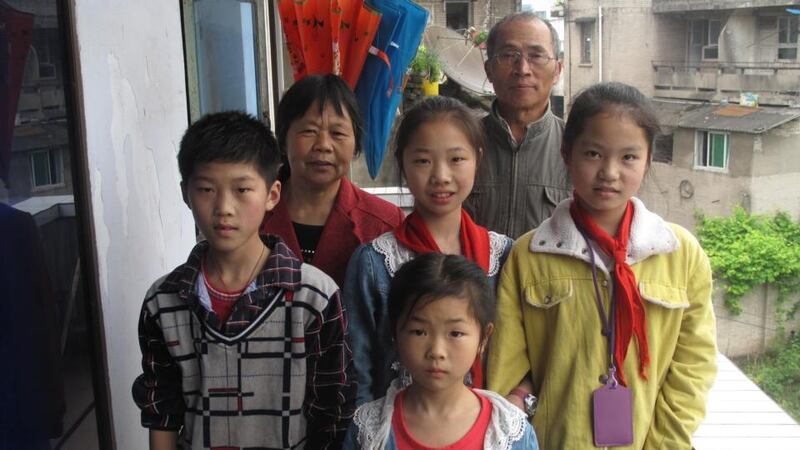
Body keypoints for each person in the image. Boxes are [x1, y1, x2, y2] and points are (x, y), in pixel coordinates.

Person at [487, 82, 717, 449]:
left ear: (648, 160)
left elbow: (693, 368)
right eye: (593, 153)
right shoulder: (530, 255)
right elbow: (506, 369)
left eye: (628, 157)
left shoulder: (680, 254)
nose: (609, 171)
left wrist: (664, 444)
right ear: (567, 153)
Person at [131, 111, 355, 450]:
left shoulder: (315, 299)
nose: (224, 207)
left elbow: (332, 414)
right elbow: (162, 410)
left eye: (242, 189)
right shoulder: (164, 301)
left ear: (272, 194)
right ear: (185, 193)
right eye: (206, 189)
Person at [344, 96, 513, 405]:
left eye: (456, 159)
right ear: (403, 164)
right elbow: (359, 373)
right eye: (423, 160)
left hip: (485, 429)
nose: (441, 176)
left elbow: (518, 355)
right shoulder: (375, 264)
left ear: (478, 158)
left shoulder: (504, 257)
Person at [343, 253, 539, 450]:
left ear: (484, 338)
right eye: (419, 332)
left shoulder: (511, 433)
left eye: (455, 333)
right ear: (395, 333)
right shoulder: (369, 431)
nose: (436, 351)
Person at [261, 74, 405, 287]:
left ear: (356, 144)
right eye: (309, 131)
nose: (324, 145)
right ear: (283, 140)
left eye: (337, 133)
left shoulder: (384, 223)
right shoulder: (252, 213)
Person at [464, 12, 570, 239]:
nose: (522, 68)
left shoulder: (577, 149)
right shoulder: (462, 142)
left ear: (558, 71)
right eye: (509, 55)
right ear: (489, 70)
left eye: (536, 56)